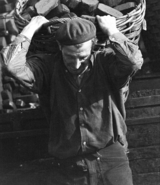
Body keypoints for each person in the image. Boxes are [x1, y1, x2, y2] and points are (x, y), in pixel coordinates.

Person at [0, 14, 143, 185]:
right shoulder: (47, 67)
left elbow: (133, 61)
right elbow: (11, 65)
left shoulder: (105, 63)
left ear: (93, 45)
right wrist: (32, 27)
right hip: (69, 168)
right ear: (60, 46)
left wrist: (112, 30)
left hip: (111, 161)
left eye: (82, 57)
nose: (76, 64)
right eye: (70, 57)